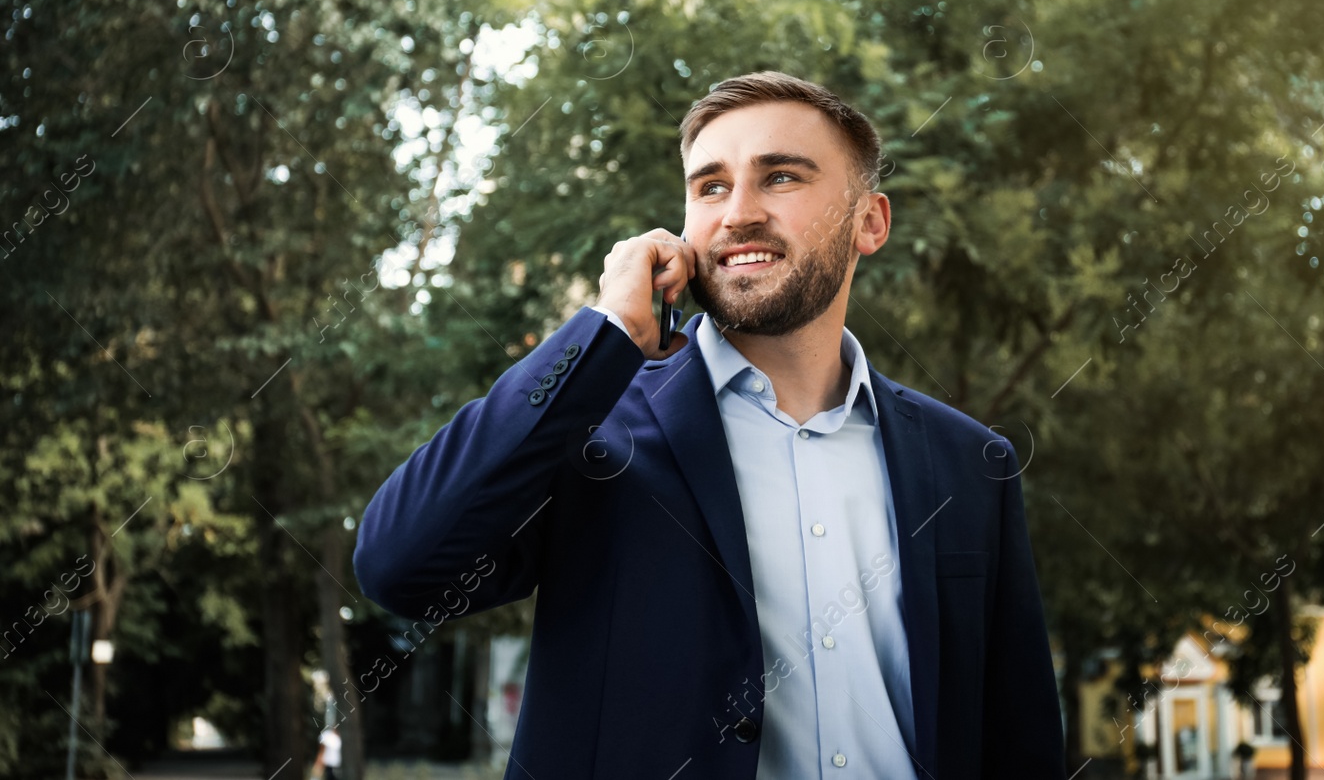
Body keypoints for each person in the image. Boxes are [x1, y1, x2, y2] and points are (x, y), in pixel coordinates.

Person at [354, 71, 1065, 779]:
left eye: (780, 177)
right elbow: (401, 564)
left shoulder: (971, 463)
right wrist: (603, 333)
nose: (738, 213)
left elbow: (1020, 743)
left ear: (869, 221)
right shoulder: (595, 431)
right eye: (711, 186)